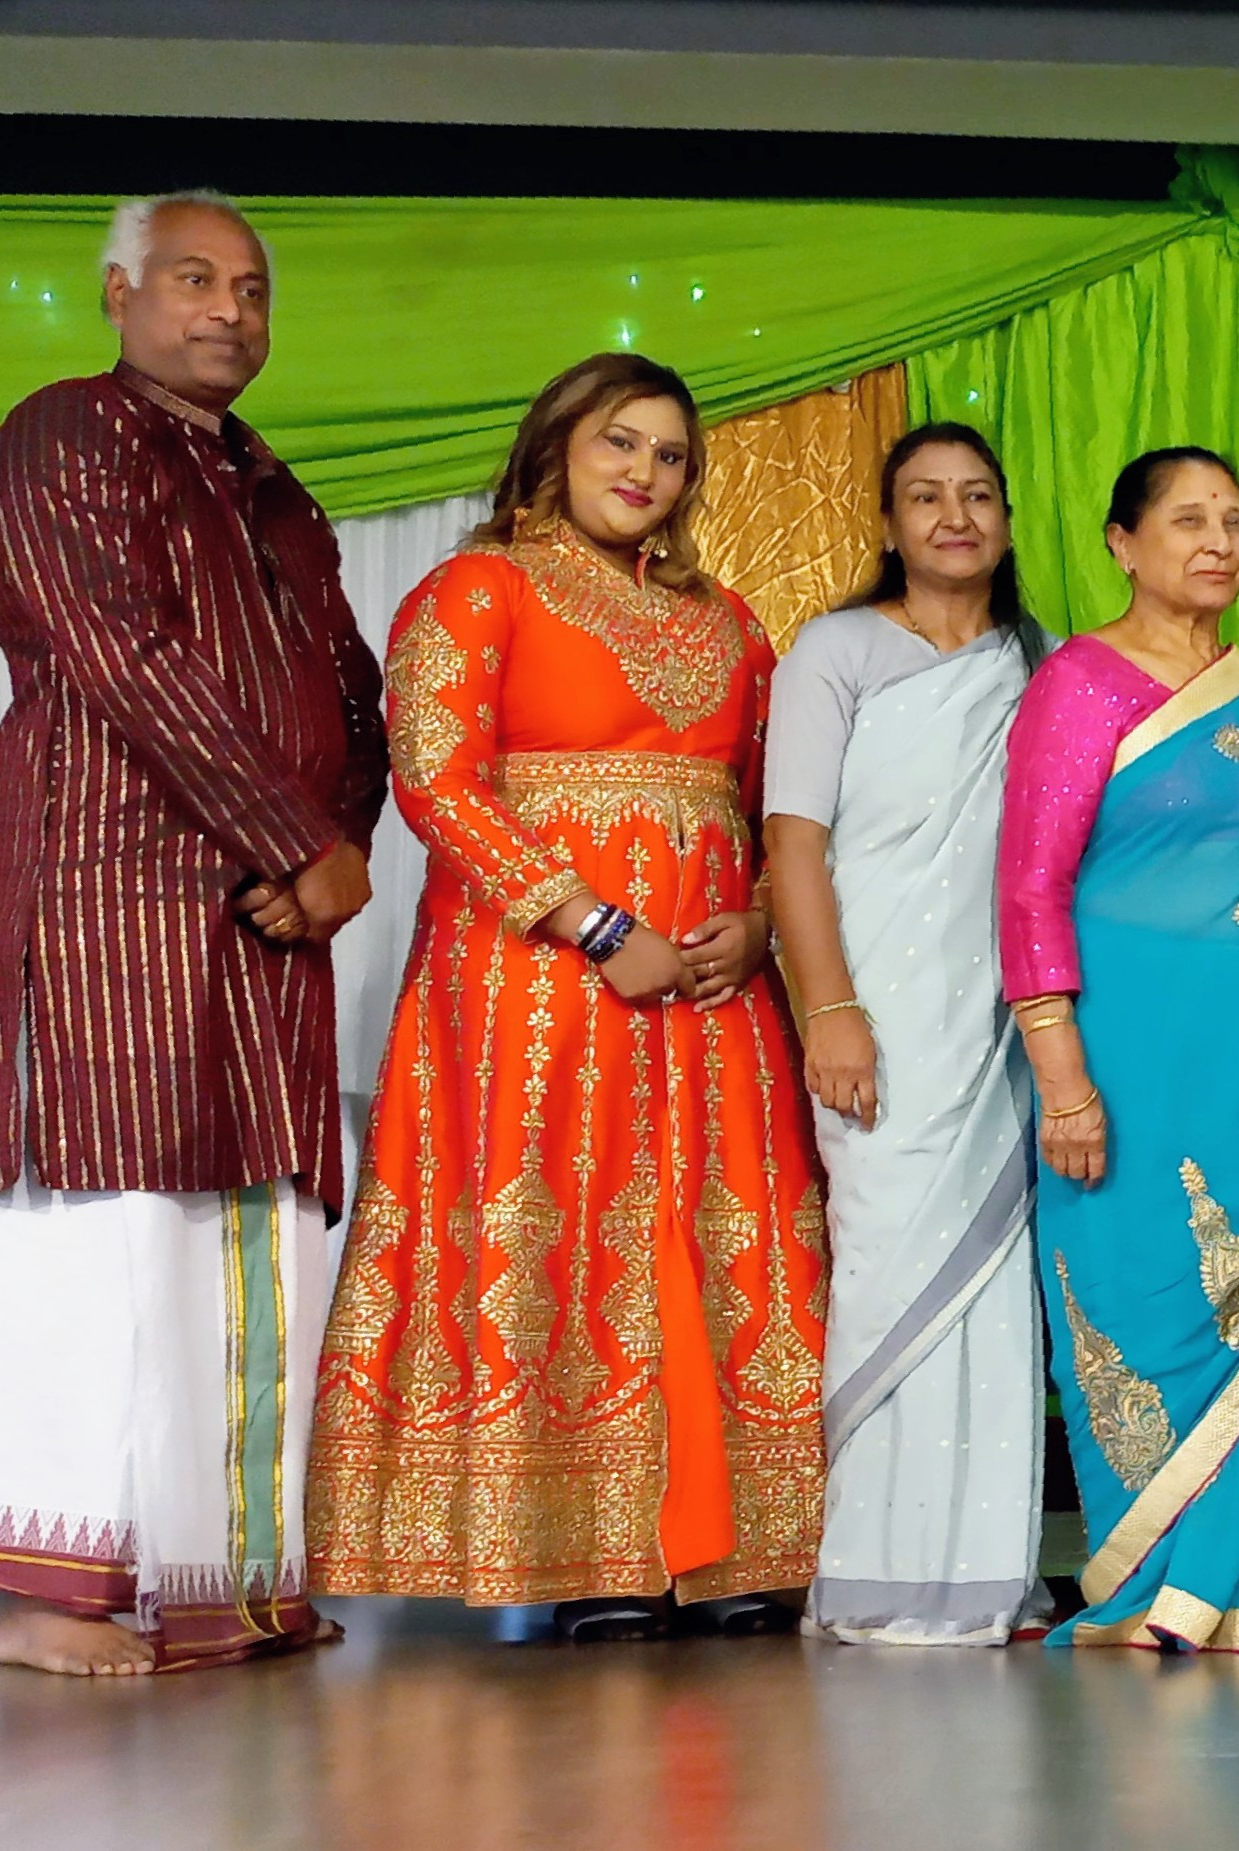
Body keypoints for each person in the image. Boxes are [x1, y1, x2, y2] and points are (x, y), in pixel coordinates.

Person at [0, 191, 382, 1676]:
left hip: (265, 905)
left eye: (250, 286)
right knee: (98, 1222)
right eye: (191, 278)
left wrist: (340, 848)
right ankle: (52, 1594)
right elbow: (116, 649)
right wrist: (299, 840)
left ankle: (224, 1581)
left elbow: (348, 687)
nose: (228, 307)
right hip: (112, 879)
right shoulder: (65, 433)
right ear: (117, 292)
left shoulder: (272, 484)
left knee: (248, 1231)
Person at [307, 353, 824, 1642]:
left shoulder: (733, 621)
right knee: (572, 1229)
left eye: (671, 456)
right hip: (536, 984)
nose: (647, 473)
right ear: (555, 445)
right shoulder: (477, 589)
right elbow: (434, 781)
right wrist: (594, 923)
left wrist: (757, 925)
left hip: (711, 989)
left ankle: (733, 1546)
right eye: (621, 444)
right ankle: (589, 1553)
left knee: (720, 1229)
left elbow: (778, 804)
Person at [998, 446, 1239, 1654]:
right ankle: (1149, 1579)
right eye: (1185, 520)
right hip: (1122, 1063)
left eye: (1234, 519)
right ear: (1122, 542)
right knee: (1140, 1299)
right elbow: (1027, 889)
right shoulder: (1079, 684)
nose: (1216, 541)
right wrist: (1061, 1076)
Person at [758, 423, 1051, 1645]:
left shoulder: (1038, 664)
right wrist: (831, 1009)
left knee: (994, 1283)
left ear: (1005, 520)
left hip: (1002, 1016)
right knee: (886, 1264)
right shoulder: (835, 651)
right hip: (875, 1010)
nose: (954, 517)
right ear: (886, 524)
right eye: (925, 498)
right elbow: (792, 844)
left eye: (977, 495)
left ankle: (982, 1571)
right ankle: (878, 1566)